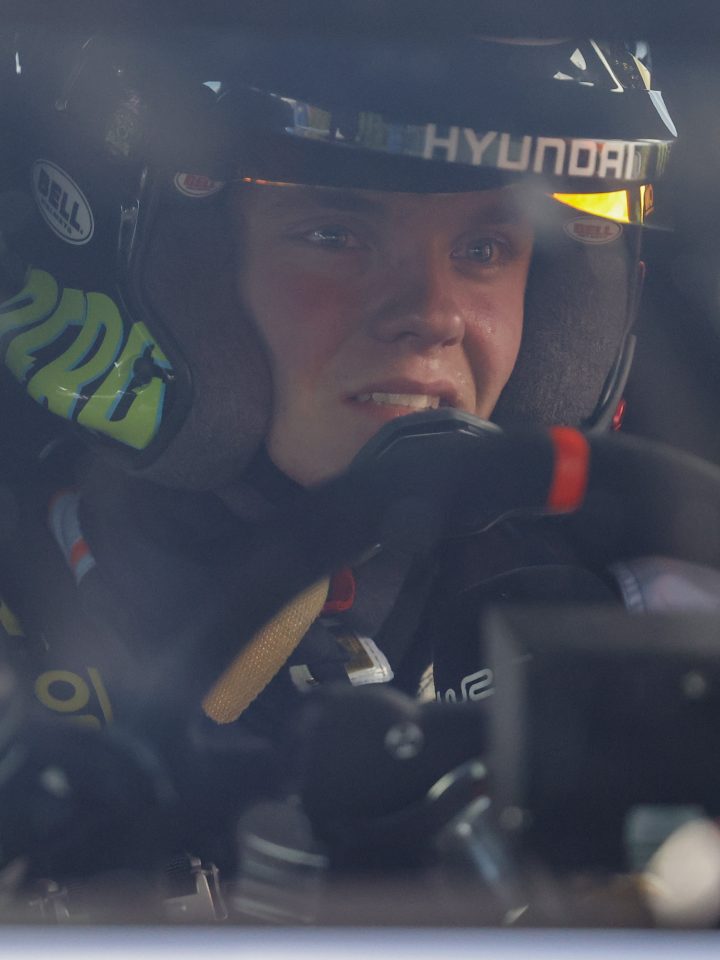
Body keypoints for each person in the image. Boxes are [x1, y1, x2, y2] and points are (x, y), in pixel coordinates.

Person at [0, 33, 675, 767]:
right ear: (176, 275)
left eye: (482, 250)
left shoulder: (641, 616)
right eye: (334, 236)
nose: (433, 315)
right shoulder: (25, 600)